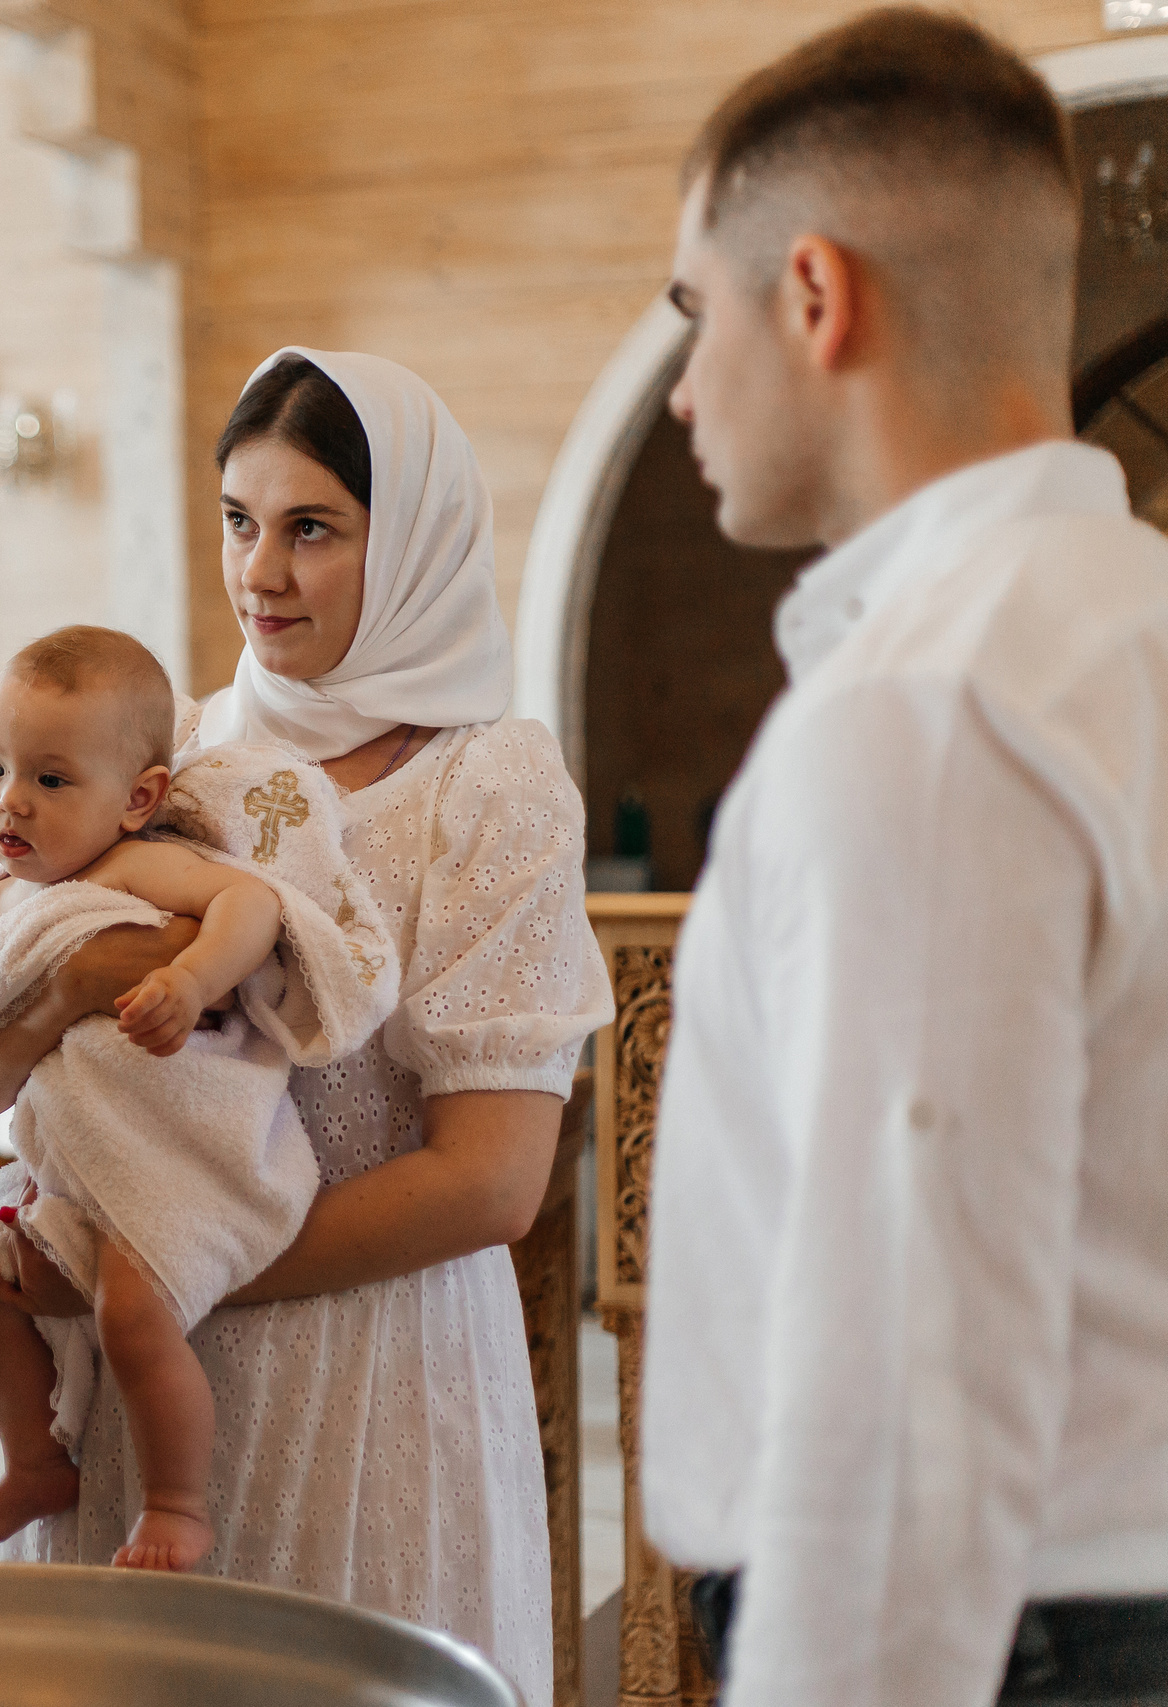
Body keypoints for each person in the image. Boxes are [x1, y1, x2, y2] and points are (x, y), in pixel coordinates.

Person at [0, 349, 609, 1702]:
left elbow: (492, 1178)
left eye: (313, 528)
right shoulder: (161, 755)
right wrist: (59, 995)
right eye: (239, 518)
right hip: (142, 1374)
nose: (260, 572)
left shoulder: (490, 782)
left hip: (371, 1378)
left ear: (407, 539)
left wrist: (171, 1259)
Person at [643, 13, 1168, 1705]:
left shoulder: (929, 708)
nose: (679, 387)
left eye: (689, 313)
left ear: (814, 294)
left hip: (1009, 1633)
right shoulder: (1128, 630)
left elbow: (908, 1386)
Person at [0, 626, 397, 1573]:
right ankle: (35, 1458)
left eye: (51, 779)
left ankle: (177, 1503)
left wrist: (192, 979)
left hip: (186, 1154)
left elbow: (253, 907)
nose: (9, 802)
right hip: (79, 1173)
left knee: (129, 1312)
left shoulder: (129, 866)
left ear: (138, 798)